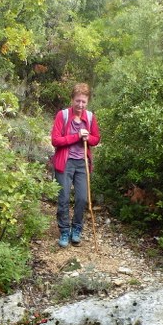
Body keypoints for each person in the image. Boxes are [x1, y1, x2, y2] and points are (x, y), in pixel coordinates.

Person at [51, 83, 101, 247]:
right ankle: (64, 231)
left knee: (81, 199)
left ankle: (77, 229)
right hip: (64, 163)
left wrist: (88, 138)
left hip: (82, 164)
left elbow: (96, 139)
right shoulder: (62, 115)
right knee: (64, 198)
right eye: (78, 101)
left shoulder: (91, 117)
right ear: (72, 99)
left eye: (84, 102)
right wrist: (77, 136)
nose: (80, 105)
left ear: (87, 102)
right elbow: (55, 140)